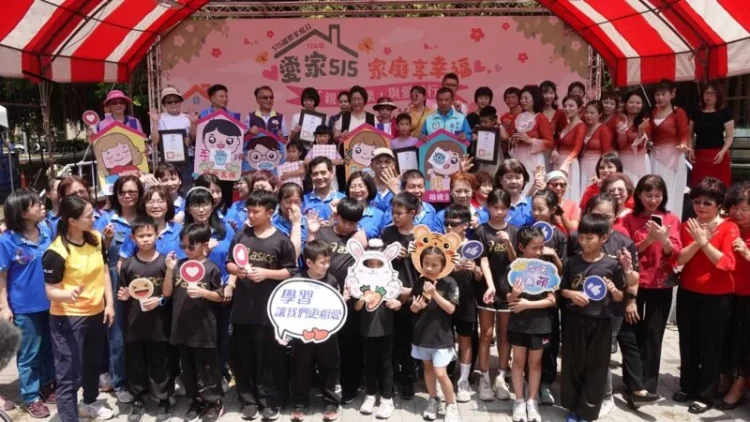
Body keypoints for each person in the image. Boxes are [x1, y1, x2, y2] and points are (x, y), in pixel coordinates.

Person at [42, 195, 116, 421]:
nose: (94, 218)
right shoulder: (56, 252)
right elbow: (50, 291)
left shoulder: (96, 238)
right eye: (89, 216)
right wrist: (68, 294)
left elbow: (105, 271)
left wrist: (109, 304)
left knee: (92, 363)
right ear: (72, 221)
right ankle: (69, 417)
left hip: (97, 313)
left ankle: (90, 403)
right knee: (68, 374)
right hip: (68, 318)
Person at [226, 190, 297, 421]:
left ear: (270, 212)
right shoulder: (241, 236)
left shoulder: (282, 240)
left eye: (255, 211)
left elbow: (290, 271)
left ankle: (271, 401)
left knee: (270, 357)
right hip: (243, 308)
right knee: (243, 356)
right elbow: (229, 263)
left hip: (270, 310)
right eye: (248, 211)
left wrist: (266, 273)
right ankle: (248, 401)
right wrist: (239, 271)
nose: (251, 215)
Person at [674, 177, 738, 414]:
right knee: (688, 342)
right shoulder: (688, 225)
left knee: (712, 346)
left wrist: (705, 242)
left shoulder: (729, 227)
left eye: (707, 203)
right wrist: (698, 241)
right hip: (688, 292)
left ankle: (706, 394)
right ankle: (687, 386)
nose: (700, 207)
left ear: (719, 205)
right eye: (697, 202)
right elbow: (679, 259)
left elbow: (726, 263)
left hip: (718, 296)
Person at [559, 213, 628, 422]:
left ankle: (588, 412)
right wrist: (572, 294)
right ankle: (572, 408)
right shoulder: (572, 262)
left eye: (590, 238)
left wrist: (614, 290)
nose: (584, 242)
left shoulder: (612, 265)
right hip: (574, 320)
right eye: (581, 237)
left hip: (601, 322)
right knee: (573, 365)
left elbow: (621, 296)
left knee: (596, 368)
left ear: (603, 238)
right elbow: (562, 289)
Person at [621, 175, 681, 396]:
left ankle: (648, 384)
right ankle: (632, 381)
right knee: (633, 332)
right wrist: (649, 239)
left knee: (654, 334)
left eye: (658, 195)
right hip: (635, 282)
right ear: (639, 195)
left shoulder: (671, 218)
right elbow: (625, 251)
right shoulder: (629, 218)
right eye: (648, 195)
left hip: (661, 282)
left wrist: (664, 240)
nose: (653, 200)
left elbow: (675, 252)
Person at [0, 190, 55, 418]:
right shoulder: (7, 241)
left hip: (50, 302)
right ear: (23, 213)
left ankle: (47, 385)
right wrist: (4, 306)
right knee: (29, 353)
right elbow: (2, 277)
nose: (42, 206)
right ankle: (31, 397)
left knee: (48, 348)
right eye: (36, 204)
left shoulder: (46, 231)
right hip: (24, 307)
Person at [116, 216, 176, 422]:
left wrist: (159, 300)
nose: (146, 239)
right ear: (133, 238)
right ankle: (138, 399)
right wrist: (124, 296)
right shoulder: (128, 265)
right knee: (136, 363)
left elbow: (170, 294)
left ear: (157, 235)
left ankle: (163, 399)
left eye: (150, 234)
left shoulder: (165, 262)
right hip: (135, 323)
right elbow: (124, 293)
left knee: (161, 362)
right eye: (141, 236)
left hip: (160, 324)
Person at [309, 198, 367, 404]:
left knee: (350, 345)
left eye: (353, 223)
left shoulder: (359, 237)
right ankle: (329, 384)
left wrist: (362, 239)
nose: (349, 227)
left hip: (351, 300)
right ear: (336, 216)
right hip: (325, 297)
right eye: (345, 222)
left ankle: (350, 386)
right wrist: (312, 233)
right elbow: (309, 256)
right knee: (327, 345)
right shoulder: (323, 233)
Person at [165, 223, 224, 420]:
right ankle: (195, 400)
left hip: (204, 328)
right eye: (183, 246)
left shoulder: (211, 268)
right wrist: (169, 270)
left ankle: (213, 402)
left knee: (206, 366)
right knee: (187, 367)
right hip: (182, 326)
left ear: (205, 245)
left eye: (191, 246)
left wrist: (203, 292)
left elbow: (220, 296)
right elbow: (167, 293)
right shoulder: (179, 265)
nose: (186, 250)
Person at [94, 175, 144, 405]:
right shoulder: (107, 220)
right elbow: (95, 254)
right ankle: (120, 382)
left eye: (132, 191)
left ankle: (144, 379)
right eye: (122, 192)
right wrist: (105, 242)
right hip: (115, 279)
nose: (127, 196)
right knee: (117, 334)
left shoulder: (145, 218)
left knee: (144, 332)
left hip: (144, 278)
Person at [502, 226, 556, 422]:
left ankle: (532, 401)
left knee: (535, 363)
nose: (539, 252)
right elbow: (508, 299)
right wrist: (515, 294)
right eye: (534, 247)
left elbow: (552, 300)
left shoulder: (547, 269)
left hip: (540, 324)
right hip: (518, 324)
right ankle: (519, 400)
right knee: (517, 362)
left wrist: (528, 304)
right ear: (521, 247)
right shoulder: (514, 268)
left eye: (541, 247)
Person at [289, 240, 342, 422]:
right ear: (309, 262)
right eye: (322, 262)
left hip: (327, 333)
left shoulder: (332, 280)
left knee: (329, 365)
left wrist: (343, 300)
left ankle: (331, 401)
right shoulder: (296, 280)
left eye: (328, 261)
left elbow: (337, 307)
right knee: (301, 366)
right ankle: (300, 402)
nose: (327, 265)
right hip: (302, 333)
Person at [475, 189, 518, 401]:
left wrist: (508, 243)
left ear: (509, 209)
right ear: (488, 207)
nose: (499, 212)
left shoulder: (514, 231)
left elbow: (517, 262)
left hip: (508, 291)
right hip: (487, 289)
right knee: (486, 333)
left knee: (505, 334)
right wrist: (490, 286)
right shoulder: (481, 231)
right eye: (495, 207)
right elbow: (483, 260)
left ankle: (501, 377)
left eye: (503, 208)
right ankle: (484, 378)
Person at [410, 246, 461, 422]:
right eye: (426, 263)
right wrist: (414, 308)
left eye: (434, 265)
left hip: (441, 335)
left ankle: (451, 404)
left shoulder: (450, 283)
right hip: (422, 334)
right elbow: (413, 307)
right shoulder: (419, 282)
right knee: (428, 368)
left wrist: (434, 294)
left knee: (441, 372)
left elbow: (451, 309)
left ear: (443, 266)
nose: (429, 268)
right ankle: (433, 399)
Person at [381, 193, 421, 400]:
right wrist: (391, 256)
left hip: (412, 295)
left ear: (412, 213)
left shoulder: (422, 235)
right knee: (392, 339)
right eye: (393, 212)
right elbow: (378, 262)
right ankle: (392, 378)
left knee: (409, 339)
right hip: (390, 293)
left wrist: (416, 254)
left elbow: (431, 268)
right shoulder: (387, 233)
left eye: (399, 213)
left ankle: (408, 379)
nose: (394, 217)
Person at [442, 205, 483, 403]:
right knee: (444, 340)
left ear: (465, 225)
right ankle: (445, 379)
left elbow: (481, 275)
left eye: (454, 223)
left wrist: (474, 269)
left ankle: (464, 380)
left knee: (465, 339)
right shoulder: (440, 244)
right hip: (444, 299)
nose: (449, 227)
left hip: (466, 300)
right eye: (446, 223)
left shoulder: (474, 246)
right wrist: (450, 268)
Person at [356, 247, 402, 419]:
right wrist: (361, 300)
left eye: (378, 264)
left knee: (386, 363)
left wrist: (397, 304)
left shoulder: (391, 283)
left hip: (386, 328)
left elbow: (398, 303)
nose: (374, 267)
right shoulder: (360, 284)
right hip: (366, 329)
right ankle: (370, 395)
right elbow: (356, 307)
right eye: (371, 264)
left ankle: (387, 398)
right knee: (369, 362)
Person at [717, 181, 750, 409]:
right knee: (725, 339)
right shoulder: (727, 227)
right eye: (734, 207)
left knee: (745, 344)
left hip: (748, 297)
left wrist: (747, 254)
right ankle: (725, 378)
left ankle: (738, 388)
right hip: (727, 293)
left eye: (744, 209)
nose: (737, 213)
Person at [651, 82, 690, 219]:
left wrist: (683, 144)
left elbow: (684, 134)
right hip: (655, 156)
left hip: (673, 156)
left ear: (672, 94)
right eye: (657, 94)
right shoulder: (654, 112)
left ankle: (670, 220)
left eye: (663, 94)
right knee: (655, 187)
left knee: (670, 189)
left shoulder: (678, 112)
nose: (660, 97)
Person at [119, 186, 185, 264]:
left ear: (168, 204)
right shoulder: (135, 231)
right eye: (150, 202)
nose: (155, 206)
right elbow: (122, 262)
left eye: (160, 201)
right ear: (144, 205)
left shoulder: (179, 230)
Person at [688, 81, 734, 187]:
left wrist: (723, 152)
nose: (709, 96)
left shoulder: (725, 112)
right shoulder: (696, 112)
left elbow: (730, 136)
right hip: (699, 155)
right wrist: (690, 149)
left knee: (720, 187)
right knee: (699, 186)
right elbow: (689, 135)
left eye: (712, 93)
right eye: (706, 93)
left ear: (718, 94)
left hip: (718, 155)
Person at [149, 87, 197, 185]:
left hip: (187, 160)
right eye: (169, 102)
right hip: (167, 161)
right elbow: (155, 140)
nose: (173, 103)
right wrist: (155, 122)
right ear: (164, 104)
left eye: (176, 101)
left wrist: (193, 124)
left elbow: (194, 138)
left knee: (186, 188)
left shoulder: (187, 118)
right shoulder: (159, 118)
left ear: (180, 102)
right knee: (168, 188)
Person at [507, 85, 554, 173]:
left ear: (535, 99)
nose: (523, 101)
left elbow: (550, 142)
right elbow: (510, 137)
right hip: (517, 157)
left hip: (534, 159)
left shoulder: (540, 118)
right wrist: (513, 140)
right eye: (521, 98)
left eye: (526, 98)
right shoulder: (516, 117)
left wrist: (530, 140)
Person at [550, 95, 584, 203]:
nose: (567, 108)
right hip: (559, 161)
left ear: (579, 108)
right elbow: (558, 143)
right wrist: (554, 150)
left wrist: (567, 163)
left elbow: (577, 148)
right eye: (565, 106)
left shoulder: (581, 126)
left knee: (568, 191)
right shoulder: (566, 125)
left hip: (569, 163)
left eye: (571, 106)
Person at [615, 90, 651, 184]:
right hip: (622, 159)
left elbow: (642, 146)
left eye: (638, 103)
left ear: (642, 105)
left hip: (638, 160)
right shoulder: (619, 119)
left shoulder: (645, 122)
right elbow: (621, 145)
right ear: (625, 103)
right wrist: (621, 132)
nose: (635, 105)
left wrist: (640, 132)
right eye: (631, 102)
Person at [580, 101, 614, 192]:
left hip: (596, 165)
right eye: (587, 112)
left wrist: (599, 172)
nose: (588, 115)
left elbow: (606, 153)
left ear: (600, 114)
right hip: (582, 164)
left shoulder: (603, 129)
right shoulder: (583, 128)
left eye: (592, 113)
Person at [303, 157, 346, 223]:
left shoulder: (343, 199)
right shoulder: (304, 200)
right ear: (311, 176)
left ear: (332, 173)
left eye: (323, 173)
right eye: (315, 174)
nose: (319, 177)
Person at [494, 159, 534, 227]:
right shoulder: (492, 203)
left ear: (524, 180)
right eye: (508, 178)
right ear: (501, 180)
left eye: (518, 178)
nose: (513, 181)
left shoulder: (532, 203)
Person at [346, 172, 385, 240]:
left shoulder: (379, 215)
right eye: (352, 187)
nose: (357, 190)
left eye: (361, 186)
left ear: (369, 189)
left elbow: (383, 240)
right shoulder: (342, 210)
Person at [272, 183, 307, 257]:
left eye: (297, 202)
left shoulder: (308, 223)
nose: (292, 206)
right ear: (280, 202)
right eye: (288, 202)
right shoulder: (272, 224)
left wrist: (312, 234)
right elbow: (292, 256)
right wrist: (295, 224)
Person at [545, 171, 580, 235]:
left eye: (562, 185)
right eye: (554, 184)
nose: (558, 188)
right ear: (547, 185)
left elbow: (573, 229)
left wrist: (561, 214)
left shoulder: (572, 205)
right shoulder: (542, 203)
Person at [367, 148, 397, 213]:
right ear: (371, 165)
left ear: (393, 165)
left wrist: (397, 193)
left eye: (387, 162)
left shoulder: (403, 186)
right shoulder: (366, 186)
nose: (383, 166)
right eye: (378, 162)